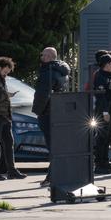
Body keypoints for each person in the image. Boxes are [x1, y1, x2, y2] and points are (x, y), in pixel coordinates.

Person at [31, 47, 70, 187]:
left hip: (47, 112)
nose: (41, 57)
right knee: (57, 145)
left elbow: (42, 94)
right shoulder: (61, 71)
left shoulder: (48, 72)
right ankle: (56, 175)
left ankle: (53, 176)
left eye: (43, 55)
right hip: (59, 111)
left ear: (49, 56)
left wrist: (38, 111)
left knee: (53, 146)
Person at [93, 53, 111, 174]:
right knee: (102, 138)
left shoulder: (109, 75)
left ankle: (105, 161)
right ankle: (99, 164)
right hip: (104, 111)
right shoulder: (100, 76)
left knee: (108, 137)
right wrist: (105, 112)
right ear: (107, 64)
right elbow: (101, 96)